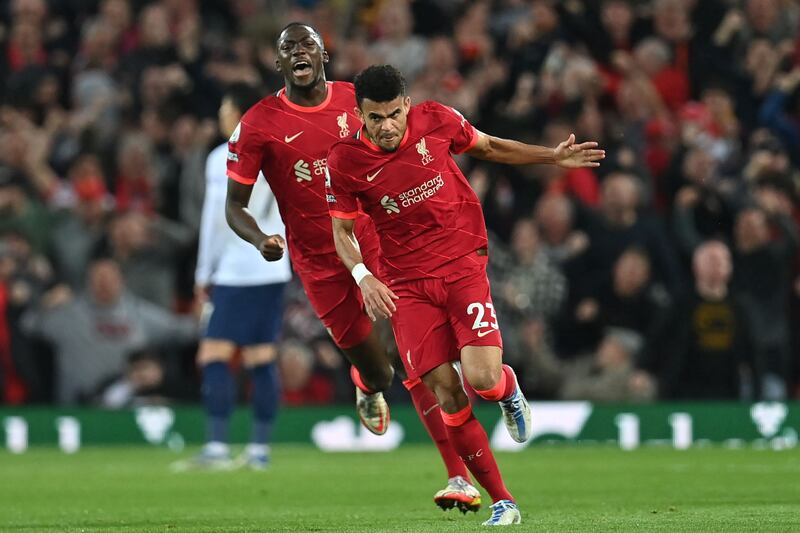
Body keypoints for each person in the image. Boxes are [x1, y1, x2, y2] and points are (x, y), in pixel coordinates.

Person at [327, 64, 604, 526]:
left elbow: (491, 146)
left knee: (481, 381)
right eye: (375, 119)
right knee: (445, 392)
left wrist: (552, 158)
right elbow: (340, 230)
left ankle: (506, 388)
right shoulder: (345, 161)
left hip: (461, 266)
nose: (387, 126)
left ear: (407, 105)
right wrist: (362, 275)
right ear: (360, 115)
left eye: (394, 114)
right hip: (407, 285)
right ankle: (502, 501)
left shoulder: (437, 119)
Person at [225, 24, 480, 510]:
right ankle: (366, 383)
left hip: (379, 245)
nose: (299, 53)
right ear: (277, 64)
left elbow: (403, 146)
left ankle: (458, 476)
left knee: (416, 360)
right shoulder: (258, 124)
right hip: (320, 263)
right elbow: (234, 206)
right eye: (288, 49)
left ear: (325, 55)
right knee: (380, 372)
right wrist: (261, 239)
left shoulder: (356, 101)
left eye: (307, 46)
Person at [192, 83, 292, 469]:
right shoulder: (279, 151)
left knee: (214, 353)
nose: (221, 114)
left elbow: (217, 221)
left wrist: (204, 272)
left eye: (224, 106)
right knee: (261, 357)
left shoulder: (223, 156)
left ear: (236, 112)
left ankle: (217, 447)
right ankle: (260, 449)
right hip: (273, 267)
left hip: (235, 269)